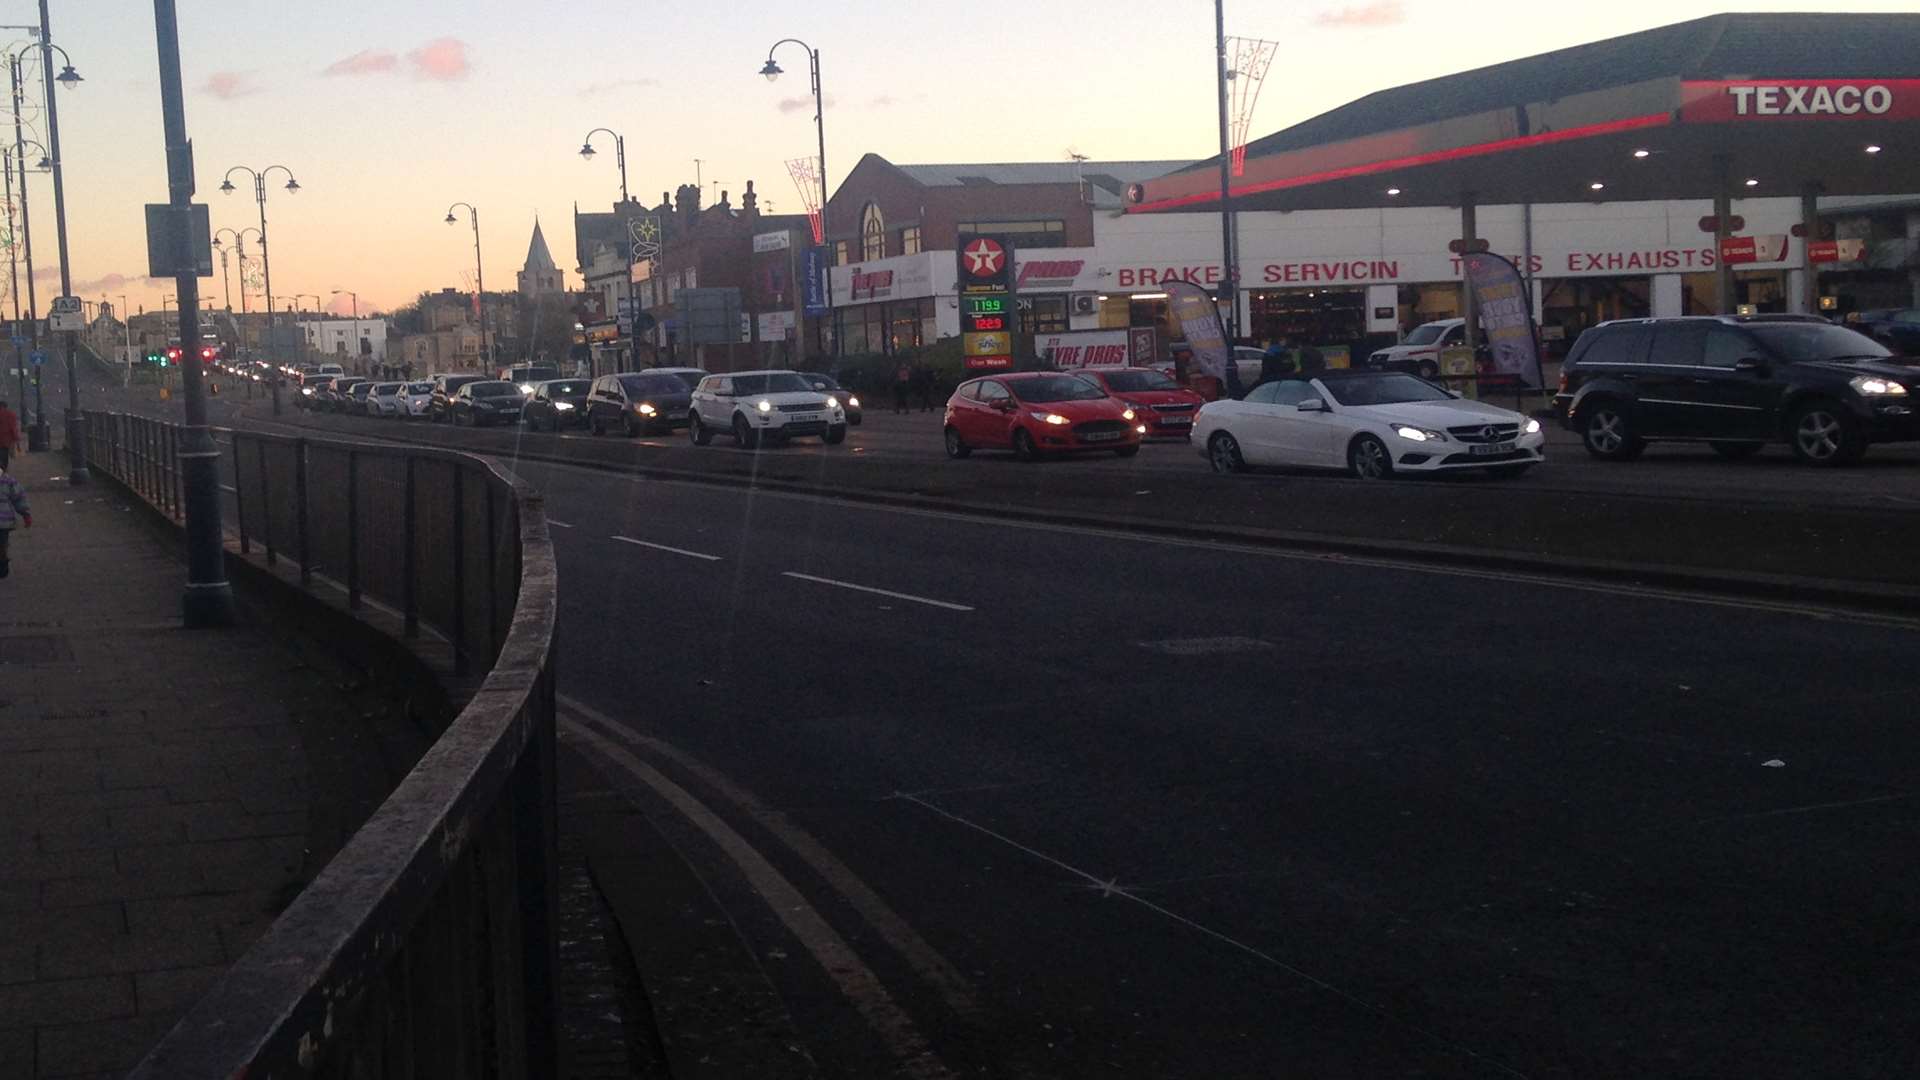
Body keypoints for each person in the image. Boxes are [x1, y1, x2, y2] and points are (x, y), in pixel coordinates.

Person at [0, 460, 29, 579]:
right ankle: (2, 565)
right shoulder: (9, 481)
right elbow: (18, 498)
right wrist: (25, 514)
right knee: (2, 544)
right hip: (5, 521)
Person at [0, 399, 19, 473]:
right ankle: (3, 471)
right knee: (4, 456)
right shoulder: (10, 414)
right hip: (5, 440)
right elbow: (13, 427)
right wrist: (16, 438)